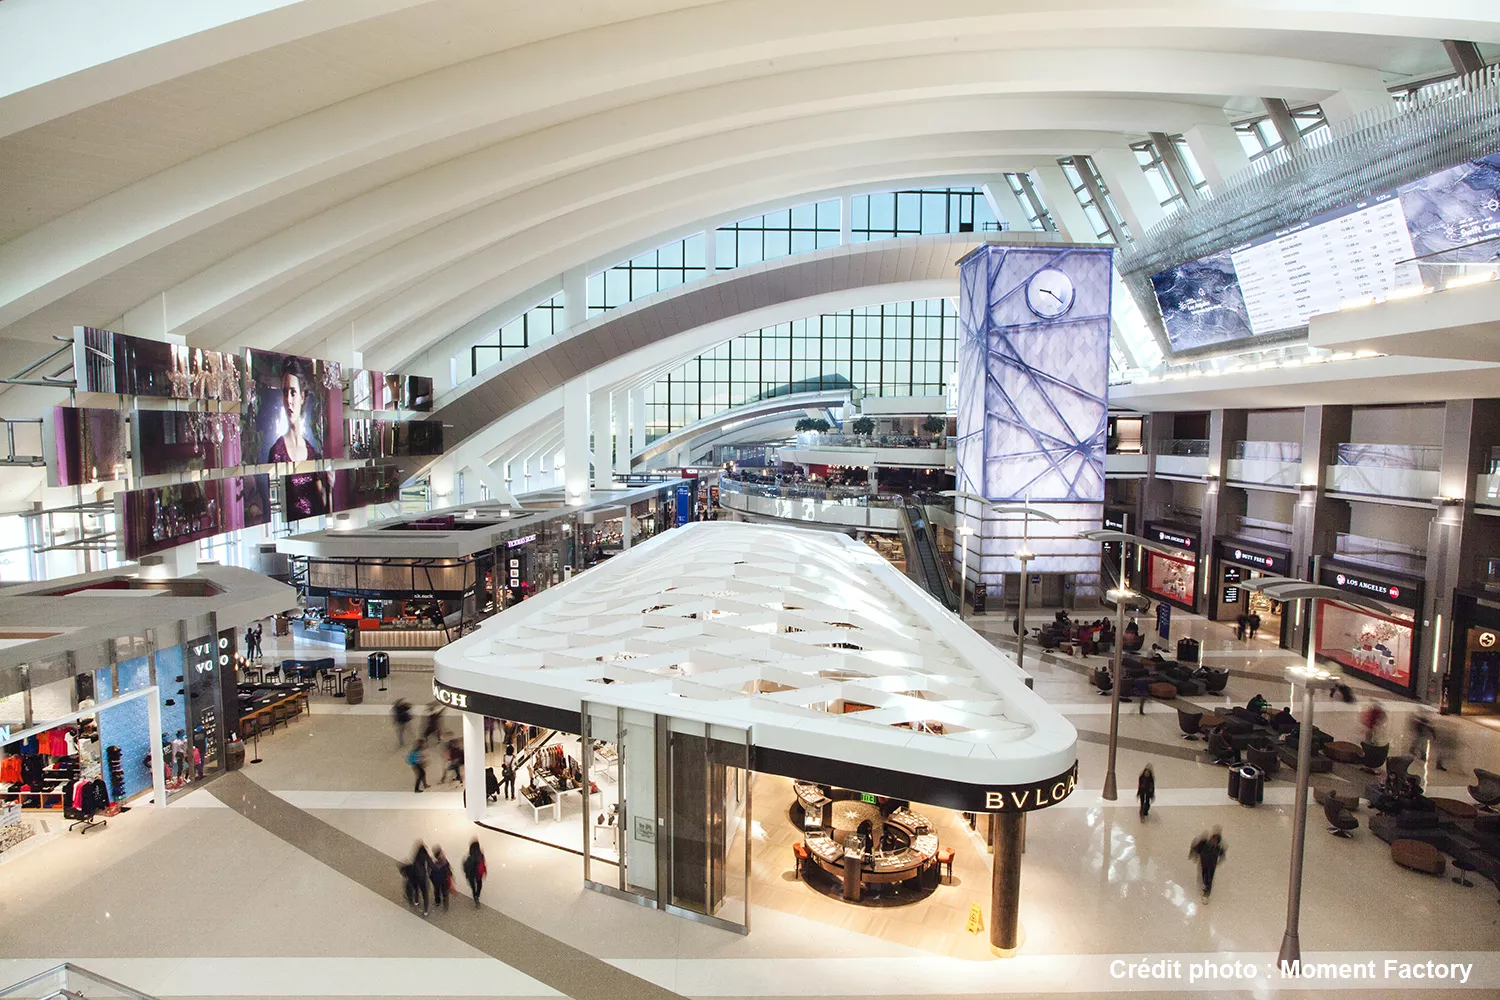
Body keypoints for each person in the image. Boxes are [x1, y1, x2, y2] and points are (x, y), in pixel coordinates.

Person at [266, 357, 321, 463]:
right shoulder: (276, 451)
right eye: (285, 393)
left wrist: (330, 480)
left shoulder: (310, 451)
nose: (288, 400)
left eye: (293, 392)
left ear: (302, 396)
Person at [1189, 827, 1226, 900]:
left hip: (1211, 865)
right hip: (1204, 863)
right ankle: (1204, 887)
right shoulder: (1204, 844)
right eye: (1213, 839)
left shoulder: (1217, 848)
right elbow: (1196, 848)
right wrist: (1193, 853)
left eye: (1215, 840)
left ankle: (1206, 893)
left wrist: (1220, 860)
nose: (1214, 841)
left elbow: (1222, 854)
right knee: (1204, 875)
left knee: (1209, 878)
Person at [406, 842, 432, 915]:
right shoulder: (425, 856)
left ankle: (416, 901)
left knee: (416, 889)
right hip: (422, 878)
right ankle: (425, 910)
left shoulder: (416, 858)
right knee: (425, 893)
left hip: (415, 878)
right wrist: (429, 872)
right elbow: (430, 865)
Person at [462, 839, 487, 908]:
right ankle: (477, 895)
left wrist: (467, 875)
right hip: (478, 875)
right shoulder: (481, 855)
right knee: (479, 884)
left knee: (473, 887)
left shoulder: (470, 858)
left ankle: (475, 897)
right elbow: (483, 864)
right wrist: (485, 871)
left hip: (471, 875)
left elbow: (466, 868)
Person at [430, 846, 452, 911]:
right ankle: (441, 903)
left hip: (439, 880)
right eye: (441, 852)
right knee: (442, 892)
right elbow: (448, 870)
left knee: (439, 891)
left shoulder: (434, 861)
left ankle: (439, 902)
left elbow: (430, 872)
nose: (442, 853)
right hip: (441, 880)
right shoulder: (441, 862)